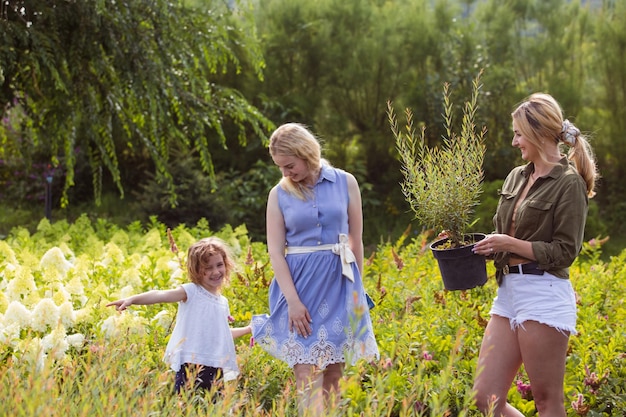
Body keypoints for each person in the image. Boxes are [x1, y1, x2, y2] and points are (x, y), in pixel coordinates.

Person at [471, 93, 598, 416]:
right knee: (486, 398)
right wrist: (468, 243)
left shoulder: (569, 184)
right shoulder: (517, 176)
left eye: (518, 133)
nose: (514, 142)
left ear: (539, 134)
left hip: (544, 293)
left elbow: (565, 251)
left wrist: (509, 244)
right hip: (507, 292)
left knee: (546, 400)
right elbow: (505, 235)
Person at [251, 123, 379, 415]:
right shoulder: (278, 194)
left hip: (339, 285)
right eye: (280, 167)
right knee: (306, 373)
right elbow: (275, 251)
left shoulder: (346, 183)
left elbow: (356, 240)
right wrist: (293, 302)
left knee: (333, 372)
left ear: (305, 153)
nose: (285, 173)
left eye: (289, 165)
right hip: (300, 290)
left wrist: (356, 294)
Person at [107, 237, 251, 394]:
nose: (215, 272)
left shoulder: (222, 302)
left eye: (219, 265)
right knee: (186, 405)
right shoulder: (191, 292)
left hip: (215, 365)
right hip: (190, 363)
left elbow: (220, 334)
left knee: (212, 408)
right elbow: (160, 295)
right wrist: (132, 299)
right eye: (208, 268)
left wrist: (249, 329)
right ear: (196, 270)